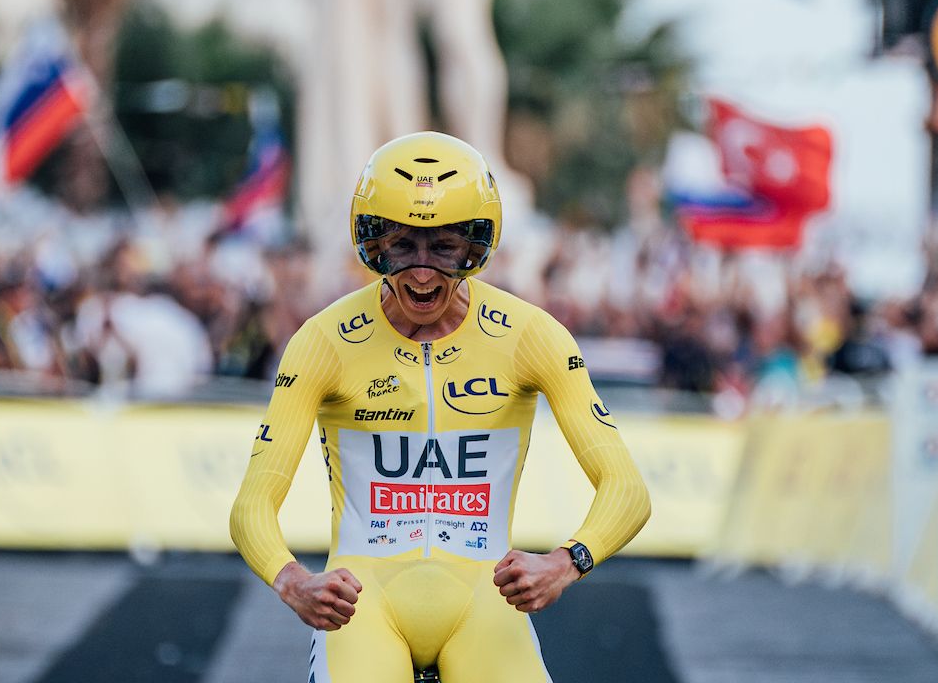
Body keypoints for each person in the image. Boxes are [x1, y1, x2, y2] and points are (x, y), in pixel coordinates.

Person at [230, 132, 651, 682]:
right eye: (404, 247)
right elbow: (251, 506)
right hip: (364, 607)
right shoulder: (323, 340)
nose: (423, 272)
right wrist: (293, 582)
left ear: (475, 247)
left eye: (444, 248)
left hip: (484, 601)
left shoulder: (531, 335)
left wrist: (566, 563)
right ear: (374, 245)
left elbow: (628, 489)